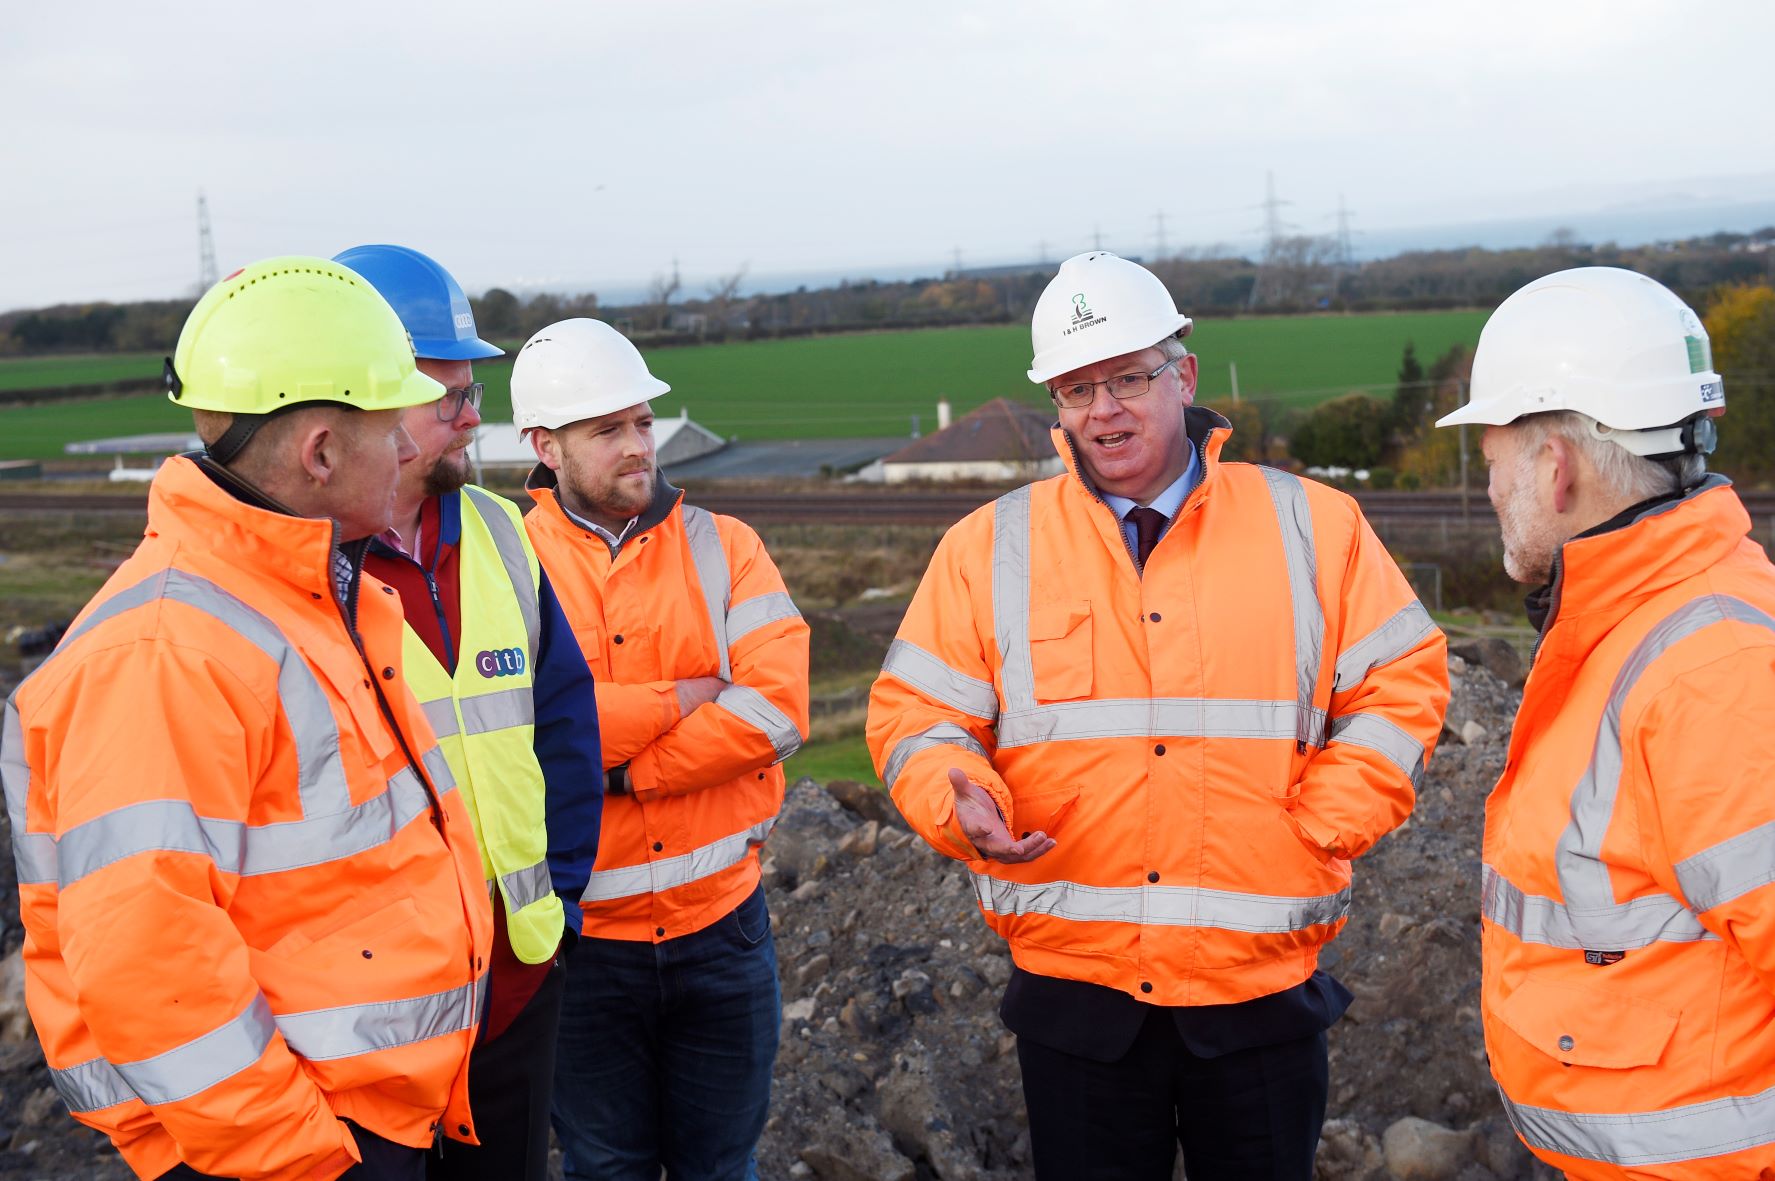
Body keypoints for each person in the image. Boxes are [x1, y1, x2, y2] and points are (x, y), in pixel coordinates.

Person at [866, 251, 1449, 1180]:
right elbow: (917, 714)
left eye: (1127, 378)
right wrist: (959, 794)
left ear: (1182, 376)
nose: (1104, 409)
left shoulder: (1313, 525)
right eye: (1075, 388)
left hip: (1254, 985)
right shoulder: (988, 547)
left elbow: (1402, 681)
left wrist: (1322, 823)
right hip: (1076, 993)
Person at [0, 256, 493, 1180]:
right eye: (391, 426)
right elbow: (149, 965)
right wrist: (299, 1158)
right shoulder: (164, 653)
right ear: (319, 452)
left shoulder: (303, 597)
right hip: (285, 1147)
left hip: (358, 1116)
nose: (408, 449)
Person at [1435, 266, 1775, 1179]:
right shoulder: (1630, 625)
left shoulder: (1709, 672)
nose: (1491, 481)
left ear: (1556, 467)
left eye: (1494, 457)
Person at [509, 317, 810, 1181]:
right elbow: (510, 730)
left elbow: (775, 711)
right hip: (578, 941)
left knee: (722, 1166)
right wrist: (677, 701)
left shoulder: (726, 546)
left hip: (722, 929)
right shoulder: (505, 563)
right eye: (607, 430)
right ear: (544, 444)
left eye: (641, 422)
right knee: (608, 1167)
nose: (638, 445)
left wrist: (623, 772)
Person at [334, 244, 606, 1181]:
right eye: (448, 397)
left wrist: (558, 897)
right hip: (377, 1018)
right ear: (366, 401)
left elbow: (564, 721)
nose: (471, 418)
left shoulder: (497, 531)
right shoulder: (302, 575)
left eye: (471, 393)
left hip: (517, 979)